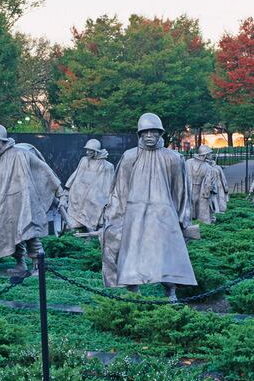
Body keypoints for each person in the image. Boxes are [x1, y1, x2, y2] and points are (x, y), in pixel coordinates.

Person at [100, 113, 196, 301]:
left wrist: (183, 218)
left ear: (160, 134)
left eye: (154, 132)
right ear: (140, 134)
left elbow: (181, 191)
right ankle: (132, 292)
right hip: (135, 214)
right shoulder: (129, 157)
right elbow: (120, 190)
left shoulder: (174, 158)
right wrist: (114, 216)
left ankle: (171, 291)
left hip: (164, 214)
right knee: (132, 253)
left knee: (167, 254)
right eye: (146, 132)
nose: (150, 136)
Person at [0, 124, 62, 274]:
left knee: (28, 233)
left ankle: (38, 265)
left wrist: (60, 191)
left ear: (0, 140)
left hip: (22, 202)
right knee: (10, 235)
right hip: (2, 205)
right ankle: (20, 263)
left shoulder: (21, 154)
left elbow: (44, 170)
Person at [62, 139, 115, 232]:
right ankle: (75, 226)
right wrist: (67, 188)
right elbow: (76, 174)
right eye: (86, 150)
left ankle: (89, 229)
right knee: (74, 207)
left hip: (94, 195)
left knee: (93, 205)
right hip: (78, 193)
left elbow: (109, 184)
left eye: (90, 150)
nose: (87, 152)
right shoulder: (84, 160)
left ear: (96, 151)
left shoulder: (107, 166)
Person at [185, 145, 216, 224]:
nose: (211, 156)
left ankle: (190, 222)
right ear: (205, 155)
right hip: (197, 189)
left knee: (191, 207)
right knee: (199, 208)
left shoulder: (188, 162)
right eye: (209, 154)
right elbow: (209, 184)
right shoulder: (208, 167)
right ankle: (201, 223)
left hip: (190, 189)